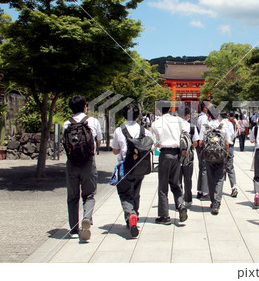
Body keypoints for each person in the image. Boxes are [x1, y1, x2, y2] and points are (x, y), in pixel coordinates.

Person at [63, 95, 102, 241]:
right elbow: (98, 141)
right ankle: (86, 218)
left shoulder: (66, 124)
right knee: (89, 194)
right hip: (88, 161)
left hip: (72, 163)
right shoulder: (92, 121)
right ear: (85, 106)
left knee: (72, 197)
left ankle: (73, 229)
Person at [111, 103, 153, 237]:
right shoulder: (144, 131)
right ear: (138, 115)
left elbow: (115, 151)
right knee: (136, 192)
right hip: (140, 167)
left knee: (124, 193)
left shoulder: (119, 130)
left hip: (125, 167)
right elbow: (151, 147)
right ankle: (134, 216)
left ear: (124, 115)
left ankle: (131, 214)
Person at [151, 101, 189, 225]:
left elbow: (154, 142)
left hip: (165, 154)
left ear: (158, 110)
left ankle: (164, 216)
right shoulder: (178, 120)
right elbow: (186, 131)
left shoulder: (156, 123)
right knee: (176, 183)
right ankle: (180, 204)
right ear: (170, 108)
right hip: (177, 154)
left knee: (163, 186)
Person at [199, 106, 230, 215]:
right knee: (219, 178)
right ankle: (217, 201)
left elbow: (200, 143)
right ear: (218, 115)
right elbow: (227, 143)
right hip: (220, 156)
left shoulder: (205, 126)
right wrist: (226, 154)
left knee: (210, 178)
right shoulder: (224, 126)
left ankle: (212, 201)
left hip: (208, 157)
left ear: (208, 114)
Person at [179, 107, 199, 207]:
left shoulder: (175, 127)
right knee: (188, 178)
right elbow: (195, 142)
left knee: (177, 180)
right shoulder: (192, 127)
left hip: (177, 155)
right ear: (187, 115)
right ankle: (188, 199)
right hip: (188, 155)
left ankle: (179, 199)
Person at [219, 111, 238, 197]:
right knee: (230, 166)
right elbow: (234, 135)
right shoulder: (231, 124)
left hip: (222, 147)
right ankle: (234, 187)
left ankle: (219, 188)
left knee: (221, 167)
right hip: (230, 146)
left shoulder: (220, 124)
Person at [196, 101, 210, 200]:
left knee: (202, 167)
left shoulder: (199, 117)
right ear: (205, 107)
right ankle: (205, 193)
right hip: (203, 145)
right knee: (205, 168)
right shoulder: (205, 118)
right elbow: (204, 132)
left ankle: (200, 190)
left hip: (199, 145)